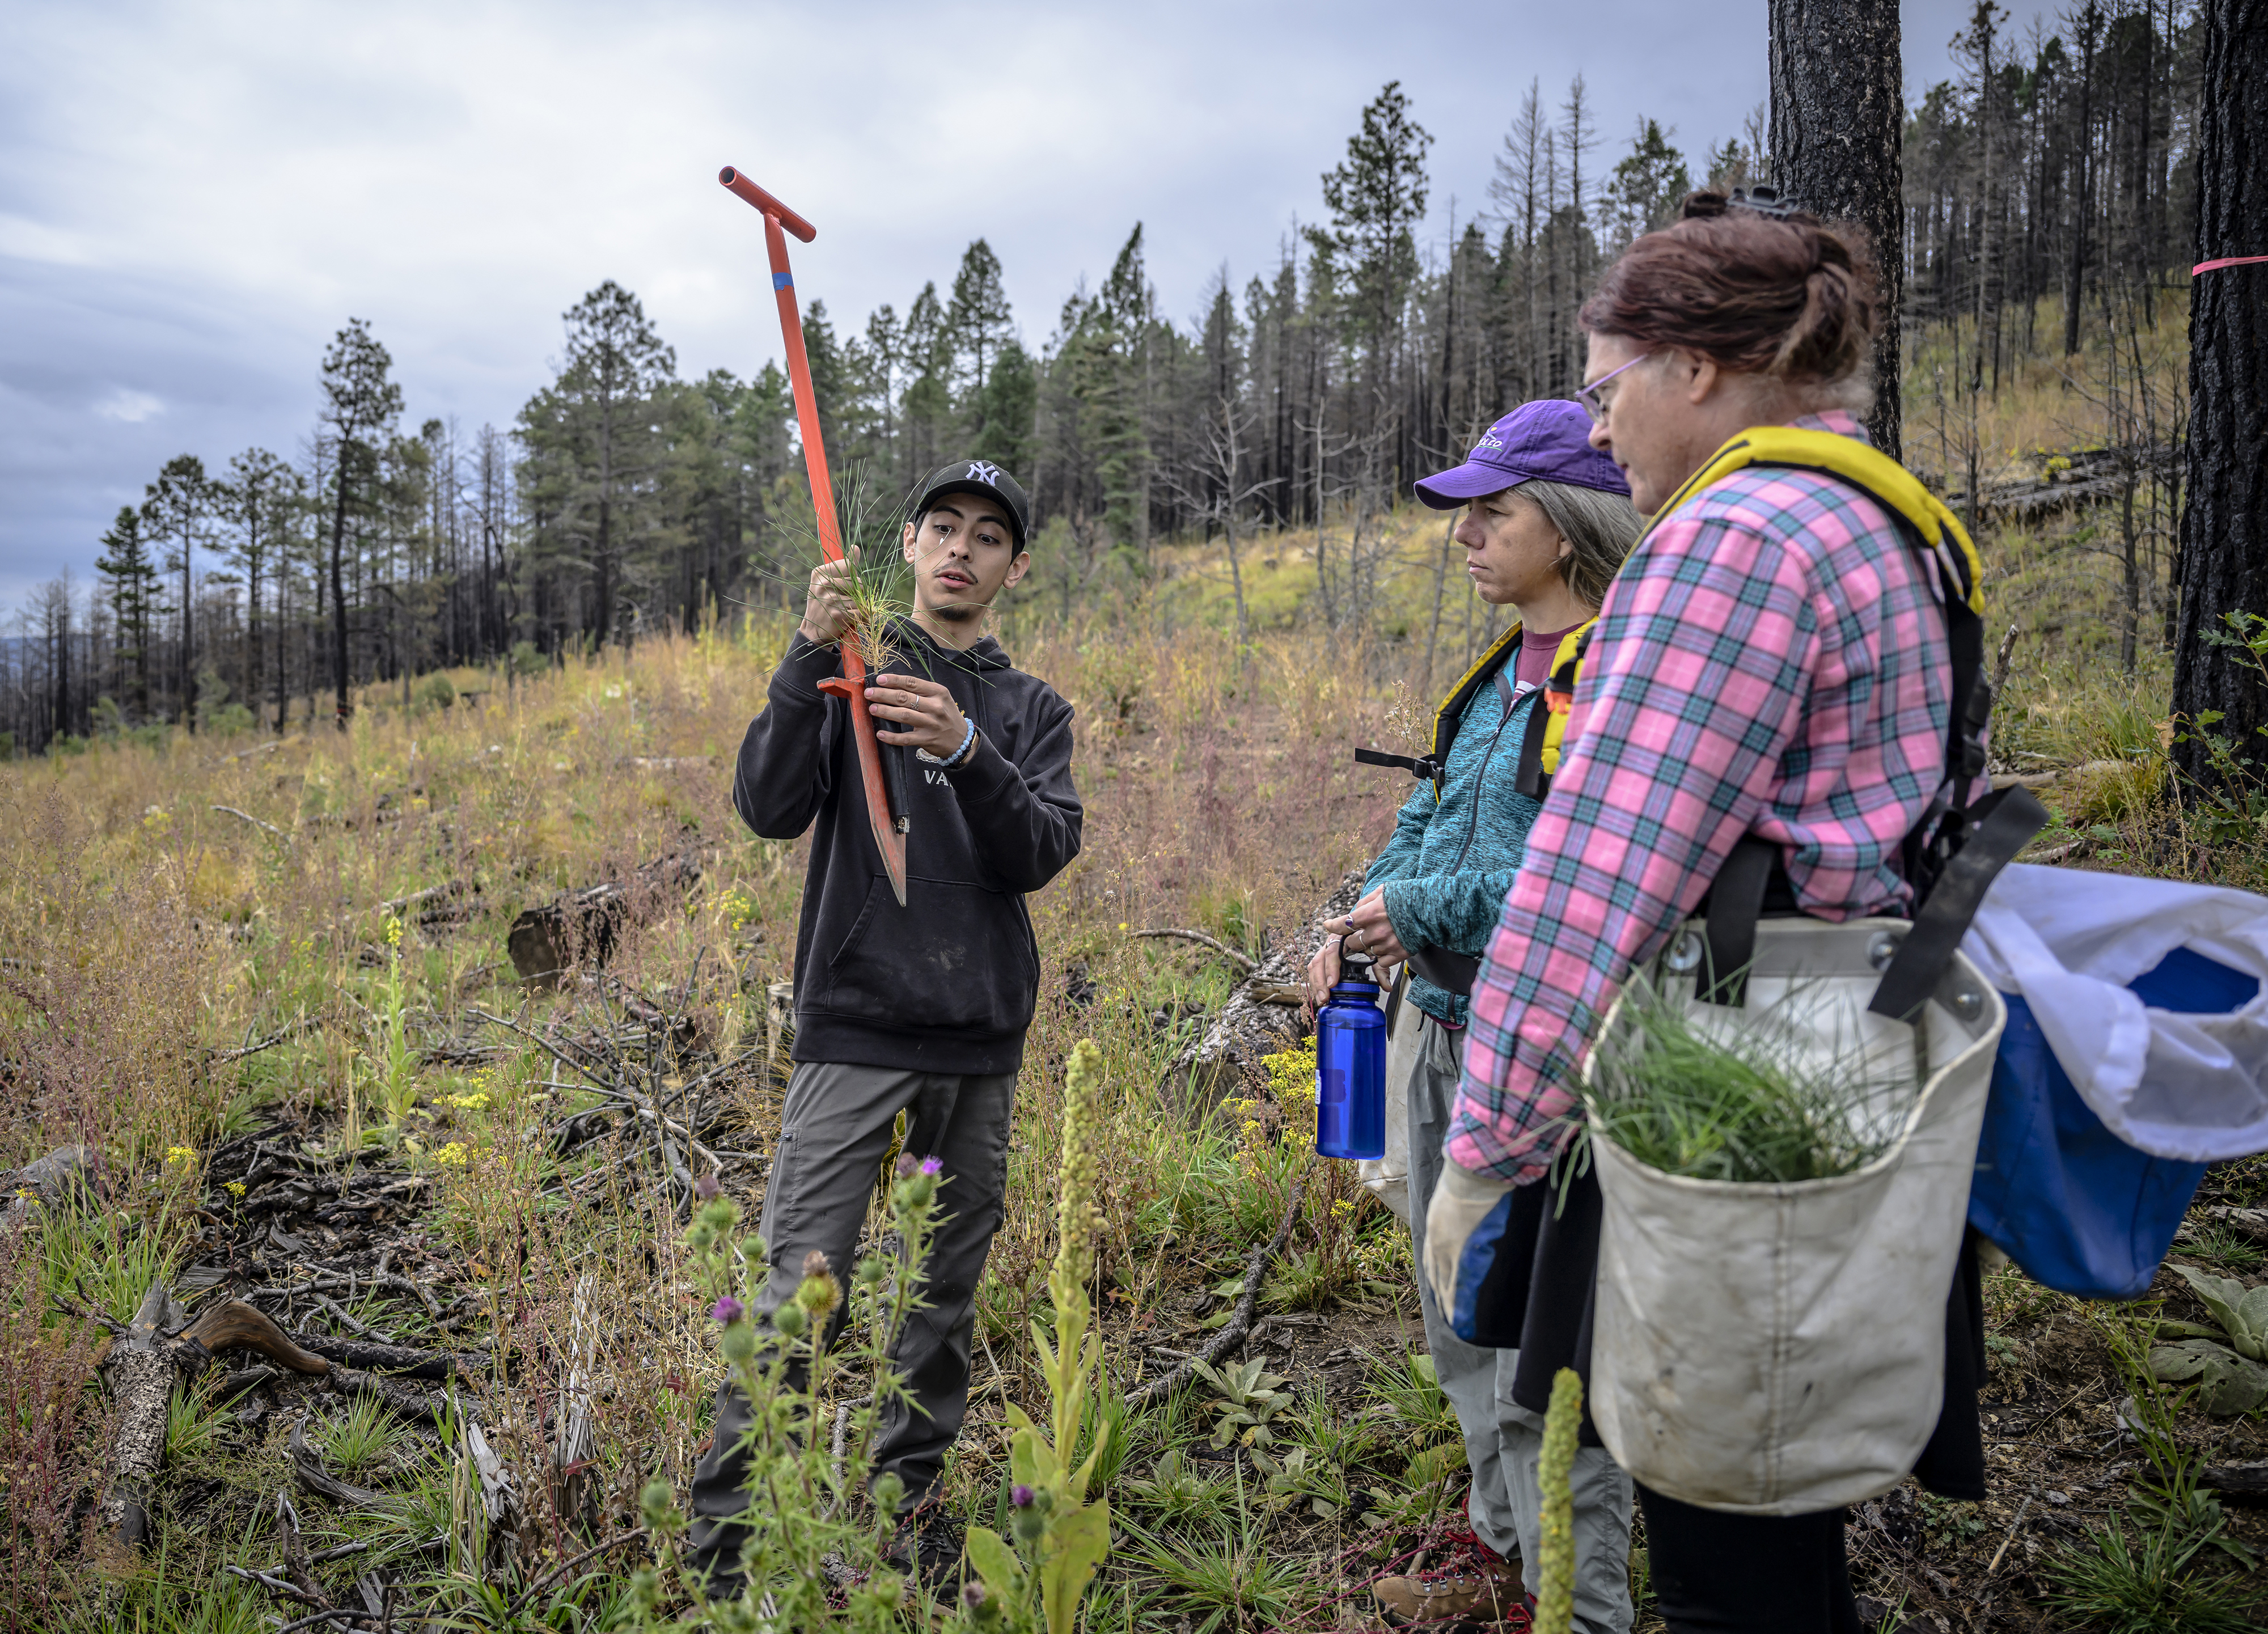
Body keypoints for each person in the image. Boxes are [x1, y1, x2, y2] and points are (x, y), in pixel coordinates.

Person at [1424, 193, 1992, 1633]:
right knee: (1783, 1485)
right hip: (1852, 1054)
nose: (1598, 429)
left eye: (1606, 385)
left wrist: (1488, 1146)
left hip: (1725, 1091)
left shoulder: (1733, 538)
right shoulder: (1888, 519)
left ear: (1695, 369)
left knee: (1715, 1506)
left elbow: (1601, 876)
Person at [689, 459, 1083, 1592]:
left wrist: (968, 748)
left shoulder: (1028, 708)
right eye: (943, 527)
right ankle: (728, 1560)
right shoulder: (851, 670)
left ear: (1014, 567)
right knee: (798, 1286)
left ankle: (896, 1525)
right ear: (906, 545)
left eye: (989, 537)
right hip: (855, 1031)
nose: (962, 549)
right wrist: (807, 655)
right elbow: (765, 809)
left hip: (978, 1041)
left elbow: (1043, 852)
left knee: (937, 1305)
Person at [1306, 400, 1644, 1632]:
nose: (1464, 536)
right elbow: (1423, 822)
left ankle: (1578, 1601)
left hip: (1545, 1057)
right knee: (1454, 1313)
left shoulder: (1612, 672)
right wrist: (1357, 913)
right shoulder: (1486, 674)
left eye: (1490, 513)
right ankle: (1502, 1551)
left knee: (1539, 1349)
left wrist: (1417, 901)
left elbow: (1595, 880)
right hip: (1431, 1028)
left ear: (1564, 525)